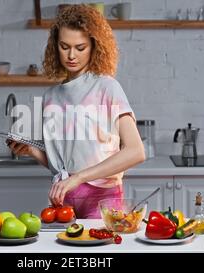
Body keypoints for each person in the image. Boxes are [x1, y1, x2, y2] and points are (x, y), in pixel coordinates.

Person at [7, 4, 145, 218]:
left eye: (80, 48)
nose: (71, 55)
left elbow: (136, 151)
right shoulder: (51, 96)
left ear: (94, 47)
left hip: (102, 197)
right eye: (64, 46)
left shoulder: (107, 87)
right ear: (55, 46)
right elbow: (63, 164)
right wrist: (32, 151)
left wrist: (78, 178)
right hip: (62, 197)